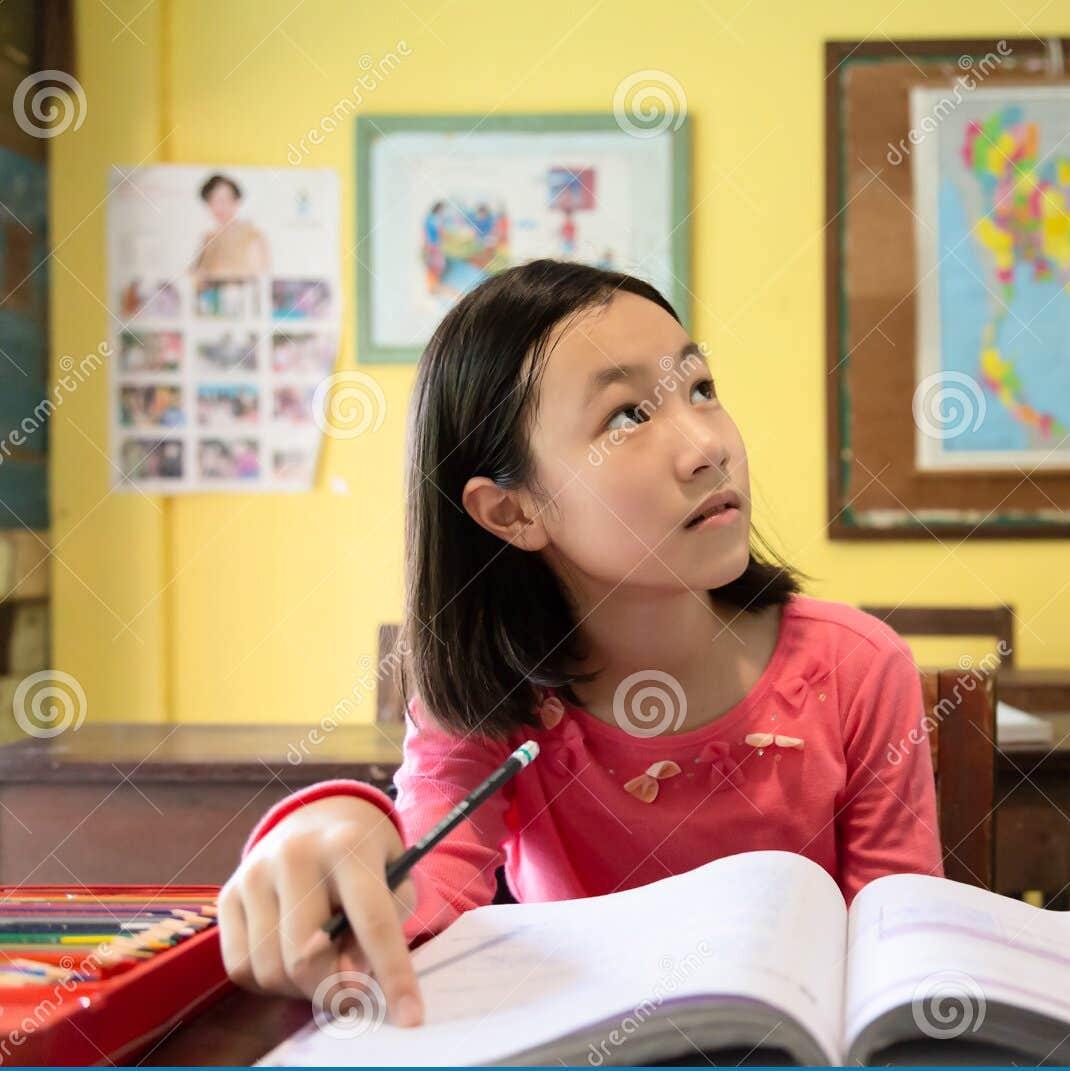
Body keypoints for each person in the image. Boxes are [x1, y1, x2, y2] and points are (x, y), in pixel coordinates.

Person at [218, 260, 943, 1026]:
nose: (707, 446)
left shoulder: (858, 669)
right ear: (511, 511)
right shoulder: (494, 690)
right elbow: (416, 908)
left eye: (699, 388)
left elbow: (897, 968)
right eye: (627, 416)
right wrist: (336, 829)